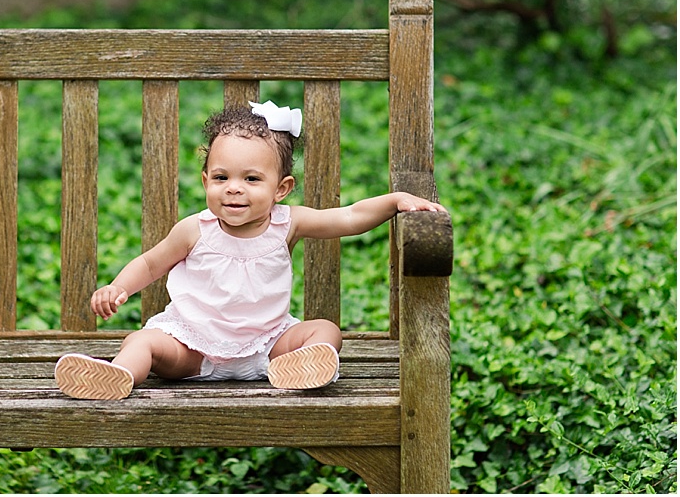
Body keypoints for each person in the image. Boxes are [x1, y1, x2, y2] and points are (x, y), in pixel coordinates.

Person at [55, 101, 447, 400]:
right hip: (192, 347)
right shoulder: (194, 229)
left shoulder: (288, 222)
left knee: (325, 329)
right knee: (141, 342)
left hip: (267, 347)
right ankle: (117, 376)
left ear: (281, 188)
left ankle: (304, 367)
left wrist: (395, 200)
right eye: (222, 177)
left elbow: (348, 217)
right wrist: (117, 286)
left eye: (251, 179)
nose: (234, 188)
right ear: (206, 180)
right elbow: (150, 262)